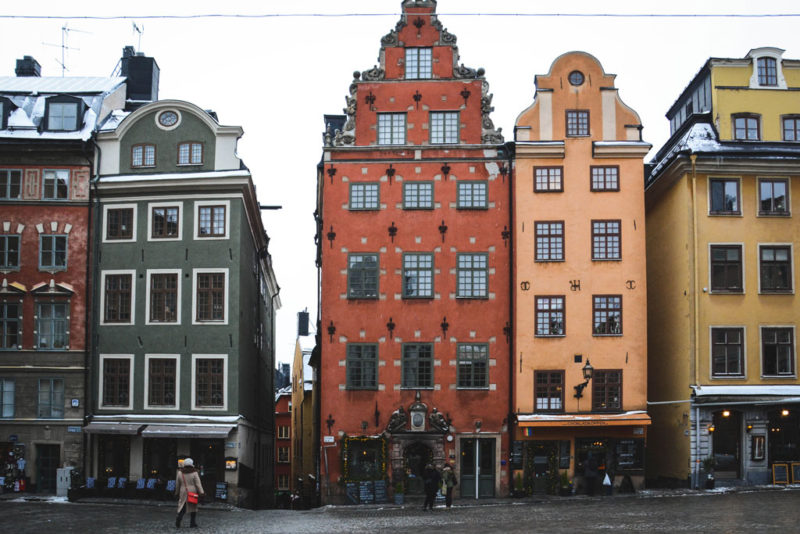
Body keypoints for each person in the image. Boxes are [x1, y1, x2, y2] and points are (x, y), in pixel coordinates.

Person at [175, 458, 205, 528]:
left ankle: (179, 516)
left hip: (183, 491)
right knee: (193, 506)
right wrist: (202, 493)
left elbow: (177, 484)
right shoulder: (194, 473)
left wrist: (176, 492)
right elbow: (198, 484)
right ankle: (192, 523)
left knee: (182, 505)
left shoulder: (180, 473)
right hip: (192, 491)